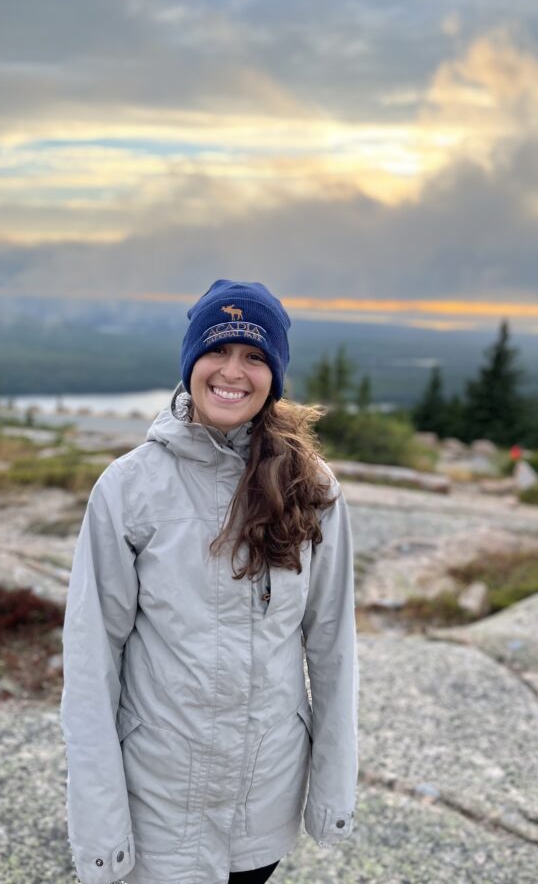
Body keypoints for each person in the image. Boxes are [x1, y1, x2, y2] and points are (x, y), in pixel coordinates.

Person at [60, 280, 359, 884]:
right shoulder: (128, 489)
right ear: (189, 361)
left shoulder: (313, 489)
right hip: (160, 803)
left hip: (264, 801)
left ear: (274, 374)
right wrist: (99, 824)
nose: (233, 372)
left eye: (254, 356)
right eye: (216, 350)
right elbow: (91, 662)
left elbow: (332, 649)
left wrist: (330, 795)